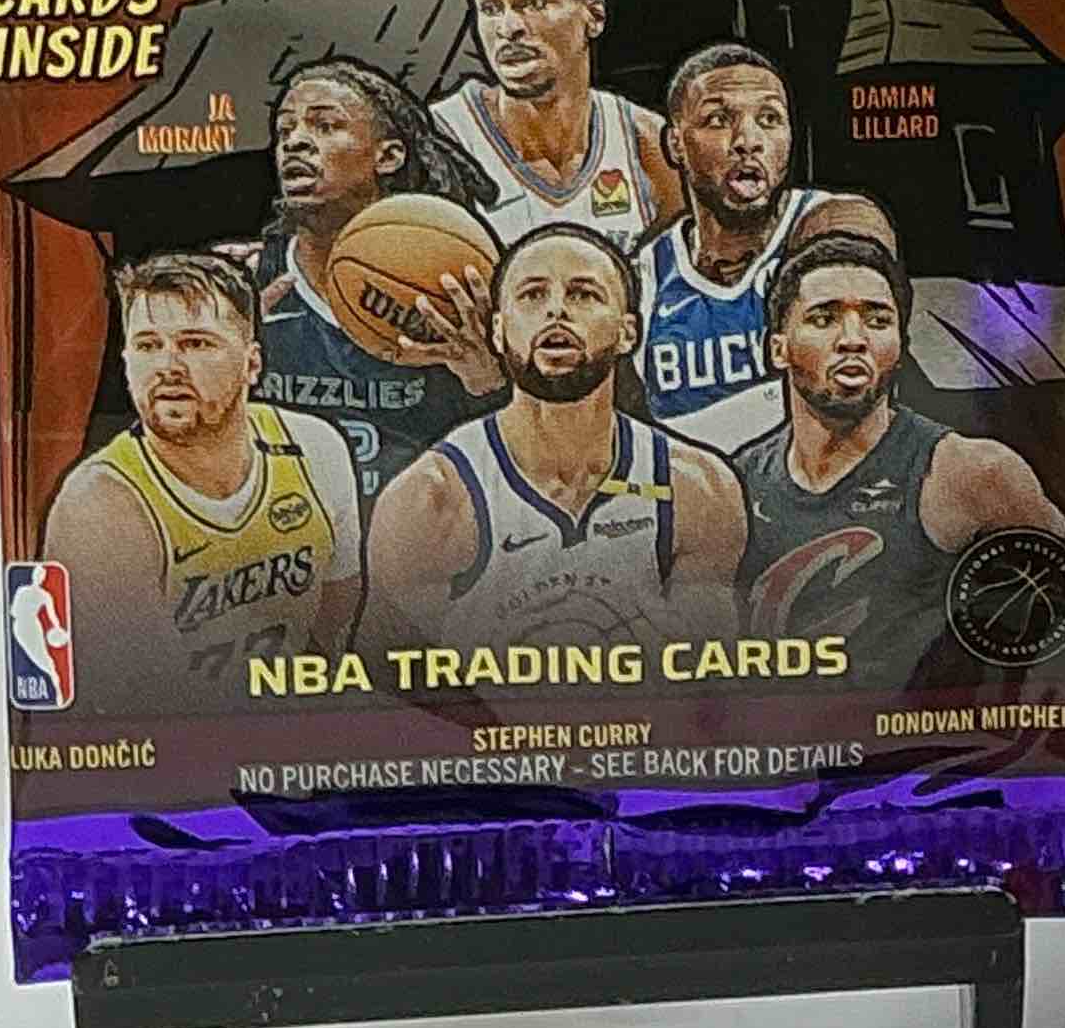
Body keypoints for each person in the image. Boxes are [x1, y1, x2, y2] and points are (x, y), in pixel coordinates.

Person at [366, 223, 745, 646]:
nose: (556, 311)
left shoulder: (697, 489)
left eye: (583, 294)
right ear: (497, 331)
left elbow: (709, 672)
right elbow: (383, 679)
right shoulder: (430, 500)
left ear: (628, 333)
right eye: (532, 295)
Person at [732, 233, 1065, 697]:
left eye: (877, 320)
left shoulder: (972, 472)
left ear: (900, 344)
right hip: (782, 738)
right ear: (778, 348)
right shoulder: (736, 485)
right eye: (824, 318)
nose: (853, 340)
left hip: (916, 741)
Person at [41, 253, 362, 705]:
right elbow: (149, 702)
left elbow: (337, 611)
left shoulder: (314, 448)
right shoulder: (98, 506)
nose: (168, 366)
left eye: (195, 343)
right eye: (147, 345)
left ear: (252, 363)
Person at [245, 55, 502, 501]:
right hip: (290, 528)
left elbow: (522, 453)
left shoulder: (453, 275)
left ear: (388, 156)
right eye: (285, 130)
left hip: (421, 526)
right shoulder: (246, 284)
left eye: (325, 125)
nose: (295, 142)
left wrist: (488, 384)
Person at [634, 42, 894, 448]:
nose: (748, 140)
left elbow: (854, 265)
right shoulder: (646, 275)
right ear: (675, 145)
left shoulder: (833, 218)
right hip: (694, 483)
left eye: (770, 119)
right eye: (718, 120)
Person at [431, 0, 678, 247]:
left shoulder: (644, 140)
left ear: (594, 16)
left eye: (534, 3)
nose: (508, 27)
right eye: (490, 8)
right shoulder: (442, 137)